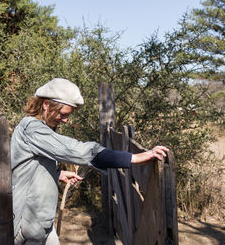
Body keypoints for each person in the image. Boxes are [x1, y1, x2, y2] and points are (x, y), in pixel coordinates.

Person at [11, 78, 169, 245]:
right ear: (46, 104)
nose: (65, 120)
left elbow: (28, 166)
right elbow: (76, 150)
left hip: (40, 225)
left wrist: (56, 173)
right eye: (63, 114)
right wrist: (133, 158)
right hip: (27, 227)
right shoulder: (33, 129)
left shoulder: (38, 129)